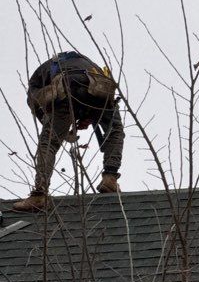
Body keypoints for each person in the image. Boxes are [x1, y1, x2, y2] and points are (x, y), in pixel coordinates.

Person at [13, 51, 125, 212]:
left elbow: (39, 106)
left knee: (49, 142)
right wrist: (86, 114)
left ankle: (39, 194)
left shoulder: (36, 81)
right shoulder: (86, 61)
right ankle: (110, 177)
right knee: (115, 131)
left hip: (67, 85)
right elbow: (88, 94)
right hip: (99, 86)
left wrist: (64, 126)